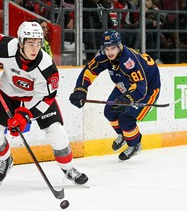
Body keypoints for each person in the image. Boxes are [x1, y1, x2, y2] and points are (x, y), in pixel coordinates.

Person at [0, 21, 88, 186]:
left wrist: (25, 116)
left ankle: (69, 169)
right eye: (30, 43)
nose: (35, 49)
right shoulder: (6, 47)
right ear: (20, 42)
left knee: (56, 133)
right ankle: (5, 161)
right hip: (8, 92)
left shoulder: (47, 67)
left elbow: (46, 99)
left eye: (38, 43)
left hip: (36, 98)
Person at [69, 30, 161, 161]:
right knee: (110, 112)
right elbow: (89, 71)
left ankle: (135, 144)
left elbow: (141, 87)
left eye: (113, 48)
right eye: (107, 49)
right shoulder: (103, 56)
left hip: (148, 88)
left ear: (119, 46)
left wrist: (129, 98)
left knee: (126, 118)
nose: (110, 52)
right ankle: (123, 135)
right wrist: (80, 89)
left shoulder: (128, 61)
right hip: (125, 83)